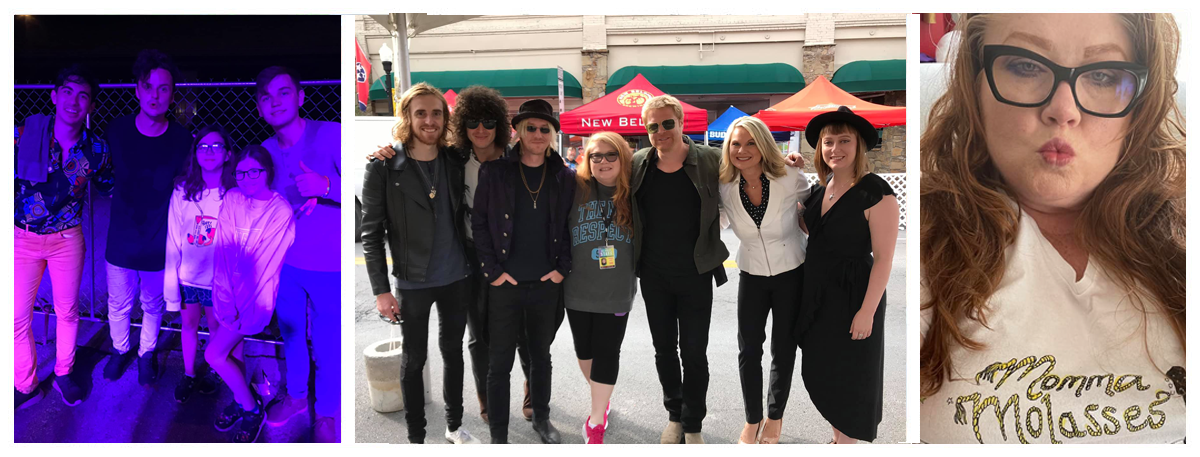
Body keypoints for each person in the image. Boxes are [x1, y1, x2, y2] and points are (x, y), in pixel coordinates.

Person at [920, 14, 1185, 444]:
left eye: (1103, 74)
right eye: (1026, 66)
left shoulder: (1183, 238)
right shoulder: (926, 235)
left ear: (1140, 103)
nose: (1064, 110)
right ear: (975, 86)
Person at [368, 85, 537, 424]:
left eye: (489, 121)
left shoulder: (517, 158)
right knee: (477, 336)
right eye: (472, 121)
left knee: (523, 332)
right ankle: (486, 399)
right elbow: (376, 225)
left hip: (516, 258)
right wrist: (388, 151)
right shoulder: (458, 157)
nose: (481, 129)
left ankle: (533, 392)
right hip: (471, 258)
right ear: (460, 124)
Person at [363, 82, 478, 444]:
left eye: (436, 113)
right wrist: (381, 291)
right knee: (413, 361)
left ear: (445, 118)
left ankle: (455, 426)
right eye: (421, 113)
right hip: (413, 281)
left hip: (457, 275)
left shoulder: (454, 159)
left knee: (453, 353)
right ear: (407, 117)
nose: (429, 120)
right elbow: (371, 234)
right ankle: (416, 439)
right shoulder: (384, 167)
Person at [474, 99, 575, 444]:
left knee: (540, 359)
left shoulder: (564, 176)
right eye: (530, 127)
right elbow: (480, 225)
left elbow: (568, 225)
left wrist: (562, 269)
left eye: (544, 128)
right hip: (505, 285)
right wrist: (493, 272)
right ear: (517, 131)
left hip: (545, 286)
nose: (537, 133)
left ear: (552, 134)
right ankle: (499, 435)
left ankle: (542, 419)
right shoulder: (495, 171)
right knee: (499, 363)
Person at [797, 106, 899, 444]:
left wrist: (866, 312)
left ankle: (847, 442)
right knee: (825, 369)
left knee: (851, 374)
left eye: (844, 141)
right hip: (818, 293)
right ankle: (839, 437)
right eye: (828, 142)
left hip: (855, 294)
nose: (835, 149)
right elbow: (815, 229)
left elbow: (884, 259)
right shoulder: (823, 186)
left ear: (859, 146)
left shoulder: (876, 192)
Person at [630, 94, 728, 444]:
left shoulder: (710, 160)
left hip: (696, 274)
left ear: (681, 123)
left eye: (667, 123)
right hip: (654, 275)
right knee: (664, 349)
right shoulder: (638, 163)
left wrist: (788, 160)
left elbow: (752, 166)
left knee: (694, 351)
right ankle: (674, 414)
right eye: (653, 126)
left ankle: (693, 424)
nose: (660, 131)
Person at [14, 65, 113, 409]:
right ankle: (25, 383)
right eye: (68, 92)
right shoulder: (24, 134)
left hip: (66, 240)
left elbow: (112, 186)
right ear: (55, 96)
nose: (75, 101)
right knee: (15, 317)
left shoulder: (96, 150)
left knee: (67, 311)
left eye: (83, 95)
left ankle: (64, 372)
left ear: (91, 106)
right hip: (21, 238)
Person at [255, 66, 342, 442]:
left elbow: (366, 188)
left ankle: (325, 411)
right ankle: (295, 397)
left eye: (283, 93)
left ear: (301, 97)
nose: (274, 102)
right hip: (285, 265)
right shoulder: (267, 152)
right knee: (292, 335)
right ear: (259, 107)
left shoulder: (331, 133)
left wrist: (326, 184)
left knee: (326, 341)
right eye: (265, 97)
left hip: (329, 265)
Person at [717, 116, 810, 444]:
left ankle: (774, 416)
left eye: (751, 142)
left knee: (783, 349)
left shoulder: (788, 176)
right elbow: (714, 221)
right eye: (736, 144)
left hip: (791, 272)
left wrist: (797, 162)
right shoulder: (724, 187)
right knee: (748, 350)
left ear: (764, 144)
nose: (743, 150)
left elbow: (811, 203)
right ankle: (752, 419)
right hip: (752, 274)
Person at [103, 49, 193, 386]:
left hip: (160, 240)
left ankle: (146, 353)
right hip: (121, 238)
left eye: (164, 88)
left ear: (172, 93)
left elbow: (188, 185)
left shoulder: (182, 139)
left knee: (152, 303)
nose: (155, 96)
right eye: (148, 87)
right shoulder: (117, 130)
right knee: (119, 302)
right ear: (138, 89)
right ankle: (119, 348)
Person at [206, 145, 295, 444]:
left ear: (268, 172)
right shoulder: (232, 198)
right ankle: (240, 398)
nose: (246, 178)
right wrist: (224, 298)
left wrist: (236, 307)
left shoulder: (279, 210)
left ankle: (251, 408)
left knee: (213, 354)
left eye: (254, 171)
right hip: (225, 296)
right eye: (241, 172)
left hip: (253, 302)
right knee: (232, 353)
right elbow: (224, 251)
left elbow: (263, 265)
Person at [565, 132, 637, 444]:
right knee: (584, 352)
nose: (603, 161)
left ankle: (595, 424)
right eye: (596, 155)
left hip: (616, 291)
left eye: (611, 155)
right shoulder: (573, 187)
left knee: (608, 352)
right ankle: (601, 398)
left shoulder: (636, 191)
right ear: (586, 158)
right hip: (577, 288)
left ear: (623, 157)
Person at [164, 125, 233, 403]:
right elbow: (173, 238)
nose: (209, 152)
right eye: (203, 146)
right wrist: (172, 287)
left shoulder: (234, 192)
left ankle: (216, 371)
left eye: (216, 146)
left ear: (228, 154)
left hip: (217, 281)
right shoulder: (183, 190)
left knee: (217, 329)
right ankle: (189, 373)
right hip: (188, 279)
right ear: (195, 154)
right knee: (189, 326)